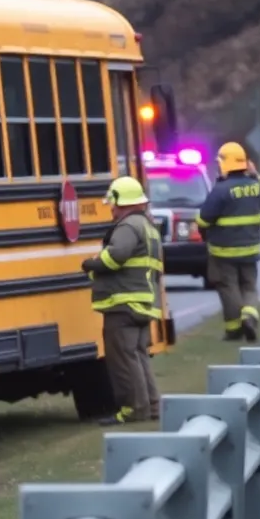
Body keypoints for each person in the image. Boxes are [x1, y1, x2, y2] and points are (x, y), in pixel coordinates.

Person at [81, 175, 164, 426]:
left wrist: (92, 264)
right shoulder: (149, 227)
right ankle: (152, 406)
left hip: (123, 304)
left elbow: (116, 255)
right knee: (137, 356)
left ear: (122, 202)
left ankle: (133, 409)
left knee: (123, 359)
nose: (111, 209)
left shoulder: (128, 226)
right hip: (143, 302)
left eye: (113, 204)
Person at [195, 142, 260, 342]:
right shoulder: (256, 187)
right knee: (249, 286)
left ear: (225, 163)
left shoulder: (221, 190)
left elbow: (204, 220)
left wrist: (205, 234)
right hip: (250, 250)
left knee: (227, 286)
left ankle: (234, 328)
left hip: (223, 252)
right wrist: (257, 175)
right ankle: (249, 316)